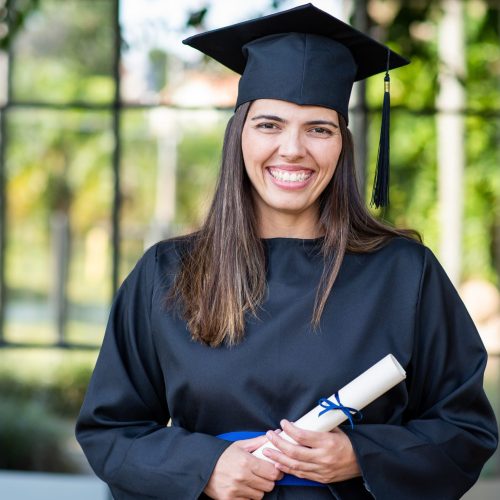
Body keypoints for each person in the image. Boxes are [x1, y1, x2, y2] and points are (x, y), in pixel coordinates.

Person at [76, 4, 498, 499]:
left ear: (343, 143)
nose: (293, 149)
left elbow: (465, 430)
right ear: (239, 137)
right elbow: (110, 431)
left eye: (318, 128)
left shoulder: (404, 273)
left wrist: (361, 455)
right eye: (270, 125)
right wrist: (203, 467)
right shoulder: (168, 273)